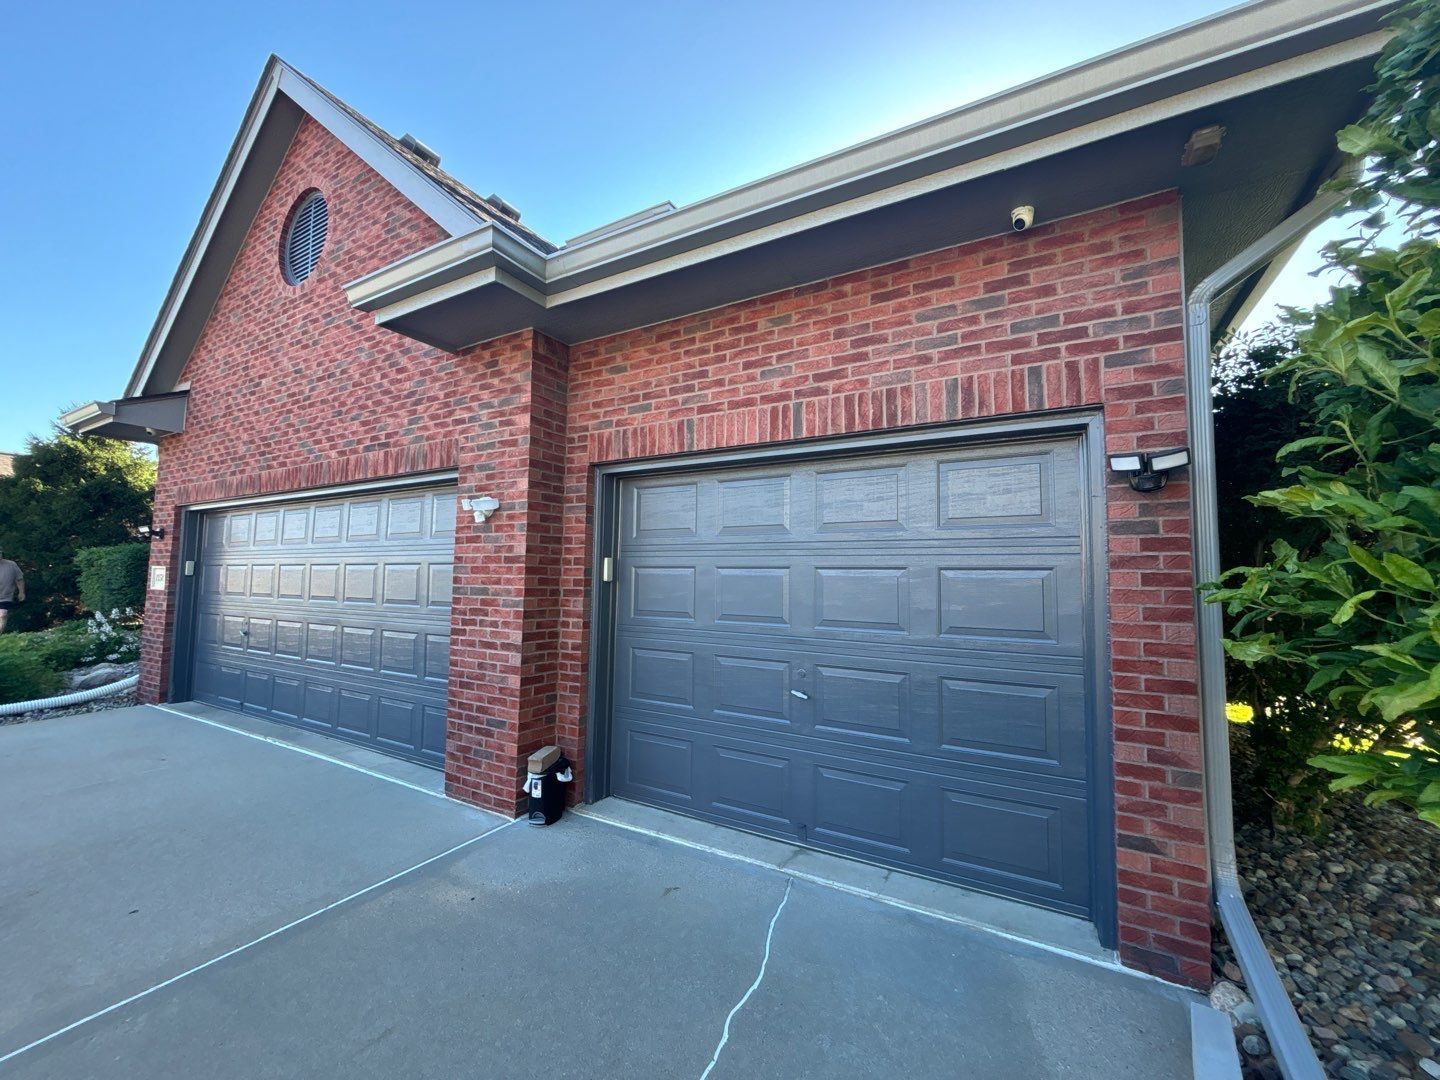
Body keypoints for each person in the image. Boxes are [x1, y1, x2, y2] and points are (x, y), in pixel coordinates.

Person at [0, 548, 24, 633]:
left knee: (3, 615)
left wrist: (21, 592)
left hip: (5, 596)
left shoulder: (11, 564)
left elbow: (19, 579)